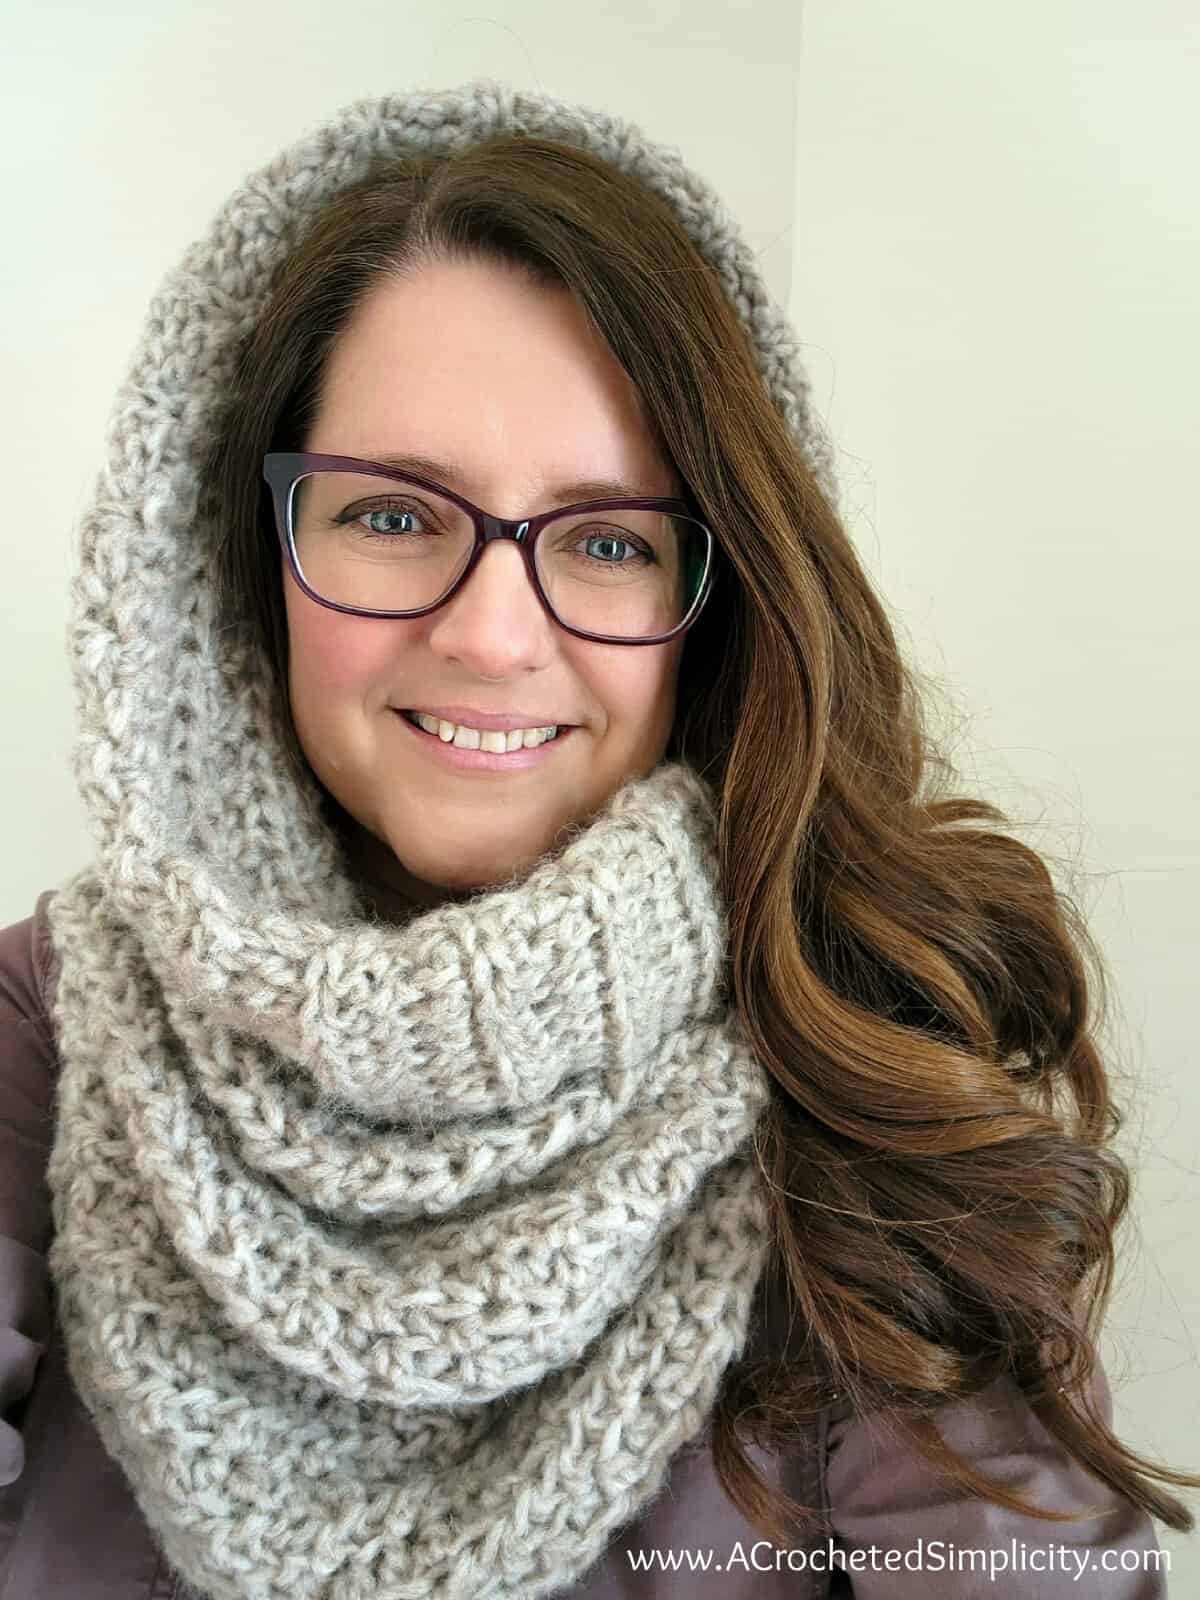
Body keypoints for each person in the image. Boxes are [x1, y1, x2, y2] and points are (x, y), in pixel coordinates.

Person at [0, 79, 1193, 1600]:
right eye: (388, 514)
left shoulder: (858, 1066)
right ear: (244, 553)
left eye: (612, 540)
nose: (494, 635)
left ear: (726, 597)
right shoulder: (44, 1034)